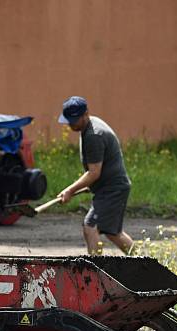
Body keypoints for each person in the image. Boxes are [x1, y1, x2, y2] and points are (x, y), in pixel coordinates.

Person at [56, 96, 134, 254]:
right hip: (111, 187)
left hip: (113, 189)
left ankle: (95, 271)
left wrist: (70, 190)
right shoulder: (89, 127)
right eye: (69, 120)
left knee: (90, 226)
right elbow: (96, 171)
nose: (71, 124)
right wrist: (91, 186)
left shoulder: (93, 135)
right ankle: (146, 264)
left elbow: (93, 173)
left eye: (74, 120)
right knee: (113, 232)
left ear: (86, 114)